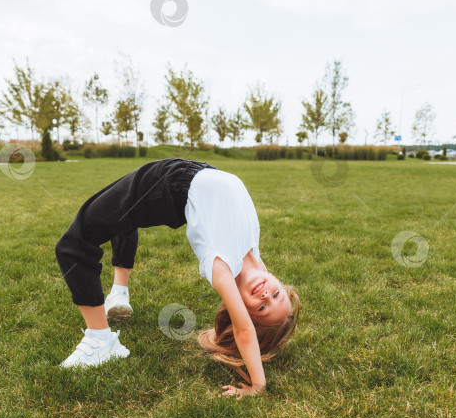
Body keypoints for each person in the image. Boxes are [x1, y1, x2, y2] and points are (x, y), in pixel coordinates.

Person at [54, 158, 300, 398]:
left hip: (165, 185)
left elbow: (244, 330)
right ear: (276, 280)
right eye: (277, 294)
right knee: (120, 218)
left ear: (243, 309)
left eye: (262, 307)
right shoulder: (255, 259)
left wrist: (258, 384)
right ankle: (119, 291)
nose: (267, 295)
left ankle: (100, 341)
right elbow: (257, 315)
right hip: (186, 171)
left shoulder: (221, 267)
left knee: (74, 243)